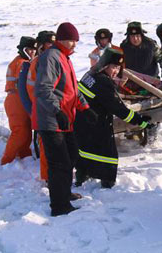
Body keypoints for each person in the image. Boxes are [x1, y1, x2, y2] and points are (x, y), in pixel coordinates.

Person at [32, 22, 98, 216]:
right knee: (59, 163)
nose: (74, 44)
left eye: (76, 41)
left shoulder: (65, 58)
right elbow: (43, 89)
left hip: (65, 119)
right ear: (61, 39)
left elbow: (72, 90)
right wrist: (57, 111)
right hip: (52, 120)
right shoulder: (51, 57)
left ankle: (64, 193)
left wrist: (85, 108)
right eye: (71, 40)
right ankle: (59, 206)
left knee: (70, 157)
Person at [75, 48, 154, 188]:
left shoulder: (91, 73)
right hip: (96, 122)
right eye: (113, 67)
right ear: (105, 65)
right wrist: (140, 121)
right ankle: (107, 182)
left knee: (85, 150)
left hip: (82, 120)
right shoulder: (103, 82)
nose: (116, 71)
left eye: (118, 67)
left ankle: (82, 174)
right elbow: (118, 109)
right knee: (107, 154)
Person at [17, 30, 56, 181]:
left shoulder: (46, 60)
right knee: (46, 146)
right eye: (49, 43)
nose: (53, 46)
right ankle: (48, 177)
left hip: (45, 109)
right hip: (43, 110)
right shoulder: (40, 62)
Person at [1, 36, 37, 165]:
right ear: (22, 49)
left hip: (18, 99)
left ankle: (24, 154)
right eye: (29, 49)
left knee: (26, 129)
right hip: (15, 100)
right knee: (20, 130)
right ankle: (7, 159)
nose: (32, 52)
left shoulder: (21, 61)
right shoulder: (21, 63)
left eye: (34, 49)